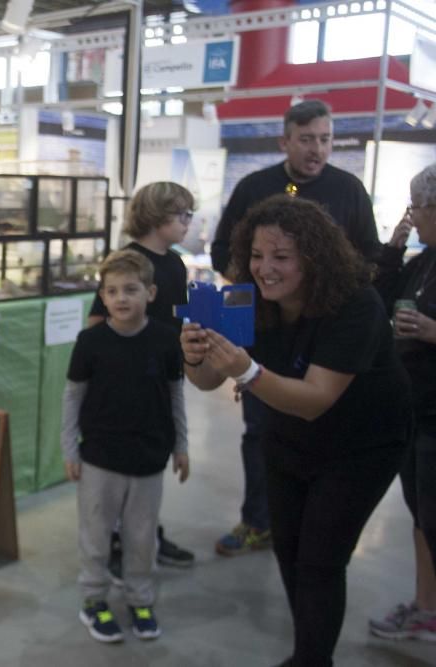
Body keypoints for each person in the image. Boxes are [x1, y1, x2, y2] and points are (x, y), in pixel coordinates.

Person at [182, 194, 411, 666]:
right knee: (289, 549)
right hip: (288, 437)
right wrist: (193, 353)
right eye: (258, 255)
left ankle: (312, 659)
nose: (266, 268)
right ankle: (308, 652)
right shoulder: (246, 297)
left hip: (362, 446)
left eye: (281, 257)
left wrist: (246, 372)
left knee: (321, 560)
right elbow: (206, 380)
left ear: (314, 256)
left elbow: (316, 399)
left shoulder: (355, 305)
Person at [208, 99, 381, 557]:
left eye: (325, 139)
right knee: (259, 429)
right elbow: (222, 249)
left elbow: (370, 256)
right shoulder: (255, 187)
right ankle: (257, 521)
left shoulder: (348, 190)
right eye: (307, 139)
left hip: (327, 337)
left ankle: (313, 525)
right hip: (266, 330)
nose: (317, 149)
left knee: (321, 427)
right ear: (285, 140)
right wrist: (258, 285)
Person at [63, 249, 190, 644]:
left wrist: (181, 445)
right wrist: (70, 448)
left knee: (141, 537)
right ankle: (94, 599)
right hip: (99, 458)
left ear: (150, 293)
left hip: (149, 459)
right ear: (102, 295)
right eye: (112, 291)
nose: (121, 298)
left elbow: (175, 396)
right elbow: (73, 398)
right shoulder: (89, 342)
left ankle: (140, 598)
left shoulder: (167, 341)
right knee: (96, 535)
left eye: (131, 290)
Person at [85, 182, 196, 577]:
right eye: (181, 214)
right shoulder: (127, 261)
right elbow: (98, 321)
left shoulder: (177, 264)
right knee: (118, 471)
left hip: (159, 380)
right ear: (156, 214)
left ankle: (146, 535)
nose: (187, 223)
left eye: (189, 215)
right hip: (123, 385)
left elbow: (177, 323)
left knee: (149, 465)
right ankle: (116, 541)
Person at [370, 163, 436, 642]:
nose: (413, 216)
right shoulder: (424, 259)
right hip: (416, 411)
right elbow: (381, 295)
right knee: (423, 515)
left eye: (417, 209)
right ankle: (426, 606)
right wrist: (394, 246)